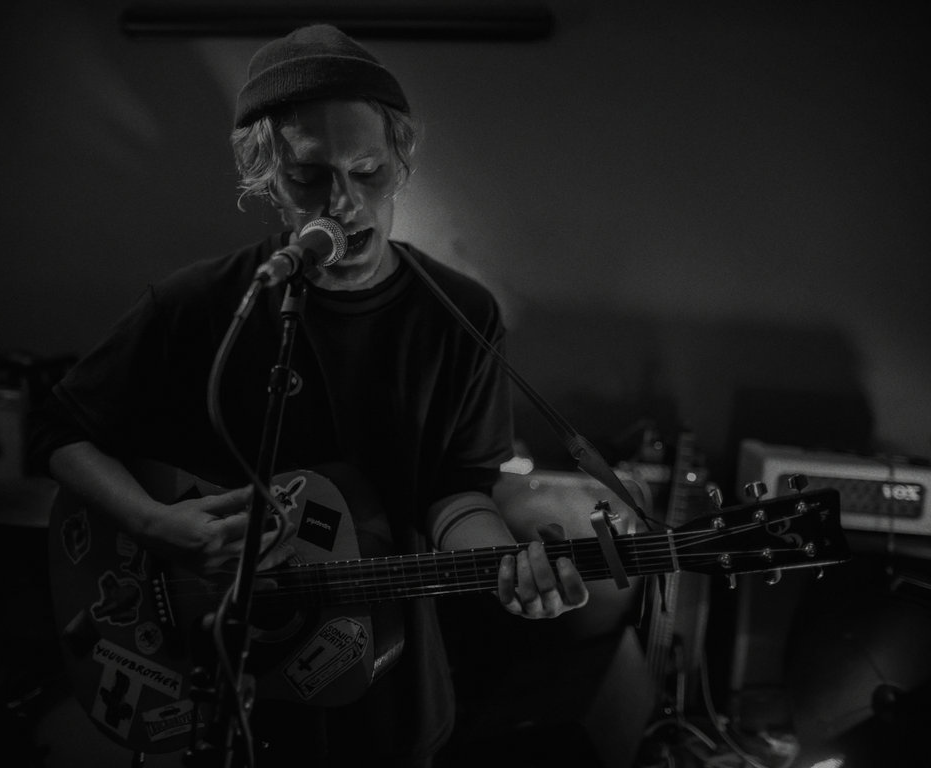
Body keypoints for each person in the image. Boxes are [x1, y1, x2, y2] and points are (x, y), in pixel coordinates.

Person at [30, 24, 589, 767]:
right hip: (220, 676)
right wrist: (155, 523)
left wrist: (505, 569)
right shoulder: (205, 303)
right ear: (266, 178)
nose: (344, 203)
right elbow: (58, 429)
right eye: (308, 176)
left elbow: (457, 488)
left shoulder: (460, 314)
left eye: (369, 171)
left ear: (401, 165)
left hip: (383, 676)